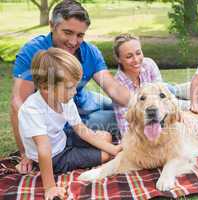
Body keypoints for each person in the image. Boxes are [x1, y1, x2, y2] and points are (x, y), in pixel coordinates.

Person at [11, 0, 129, 174]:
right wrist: (25, 153)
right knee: (119, 121)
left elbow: (114, 89)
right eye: (68, 32)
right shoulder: (33, 52)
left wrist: (144, 103)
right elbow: (17, 105)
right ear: (52, 26)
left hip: (80, 104)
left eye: (80, 35)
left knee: (129, 111)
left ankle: (172, 97)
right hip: (54, 122)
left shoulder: (90, 51)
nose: (74, 41)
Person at [18, 48, 122, 200]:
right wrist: (50, 187)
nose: (74, 92)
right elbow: (44, 149)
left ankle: (102, 148)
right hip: (54, 156)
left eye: (75, 86)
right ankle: (81, 154)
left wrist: (114, 149)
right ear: (46, 87)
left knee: (106, 136)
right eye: (69, 87)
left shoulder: (65, 99)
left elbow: (81, 129)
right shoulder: (32, 110)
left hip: (62, 138)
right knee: (105, 156)